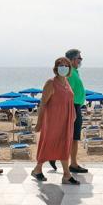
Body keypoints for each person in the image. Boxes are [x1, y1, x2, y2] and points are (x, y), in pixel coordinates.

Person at [31, 57, 80, 185]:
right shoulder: (51, 83)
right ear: (56, 68)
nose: (63, 67)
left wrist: (73, 115)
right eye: (60, 65)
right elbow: (42, 104)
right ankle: (38, 169)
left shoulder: (67, 82)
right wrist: (39, 123)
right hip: (53, 120)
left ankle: (66, 175)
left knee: (65, 145)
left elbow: (70, 100)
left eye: (66, 65)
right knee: (48, 144)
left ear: (69, 69)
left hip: (67, 120)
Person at [49, 49, 88, 173]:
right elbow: (65, 93)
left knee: (72, 137)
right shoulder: (70, 74)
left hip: (76, 106)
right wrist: (72, 110)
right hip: (73, 107)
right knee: (73, 137)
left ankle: (55, 157)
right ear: (72, 60)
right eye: (79, 58)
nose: (81, 61)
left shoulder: (75, 72)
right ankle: (73, 164)